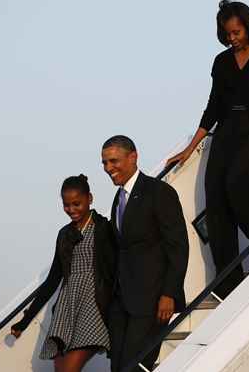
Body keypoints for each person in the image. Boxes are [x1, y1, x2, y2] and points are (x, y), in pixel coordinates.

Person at [167, 0, 249, 299]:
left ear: (248, 27)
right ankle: (229, 278)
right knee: (217, 196)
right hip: (228, 129)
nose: (232, 39)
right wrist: (189, 149)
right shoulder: (221, 63)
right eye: (227, 34)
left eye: (236, 32)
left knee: (239, 181)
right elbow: (212, 109)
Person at [101, 135, 189, 372]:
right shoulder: (118, 199)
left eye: (113, 161)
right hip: (123, 302)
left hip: (153, 300)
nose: (108, 168)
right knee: (118, 367)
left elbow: (179, 246)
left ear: (133, 157)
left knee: (136, 366)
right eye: (105, 163)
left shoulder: (159, 192)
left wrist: (169, 293)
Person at [10, 174, 115, 372]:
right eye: (67, 205)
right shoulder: (64, 234)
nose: (71, 210)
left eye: (77, 203)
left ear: (89, 199)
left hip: (94, 306)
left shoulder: (104, 228)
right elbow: (52, 280)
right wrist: (25, 320)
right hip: (66, 309)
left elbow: (116, 270)